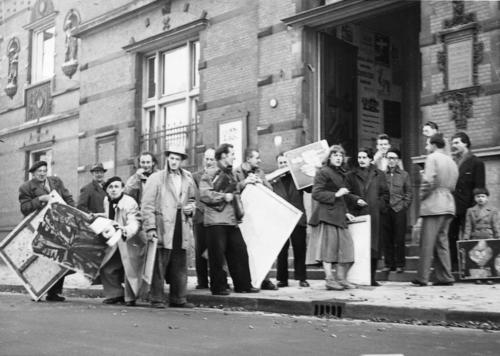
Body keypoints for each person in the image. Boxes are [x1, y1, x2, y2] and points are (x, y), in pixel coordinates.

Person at [199, 143, 258, 295]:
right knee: (217, 256)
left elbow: (234, 188)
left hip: (230, 220)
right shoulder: (210, 173)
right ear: (224, 156)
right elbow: (205, 194)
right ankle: (218, 287)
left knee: (239, 251)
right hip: (216, 220)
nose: (234, 157)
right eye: (232, 154)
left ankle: (243, 285)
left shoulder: (229, 173)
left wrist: (245, 182)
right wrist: (223, 196)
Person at [142, 146, 196, 308]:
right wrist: (150, 227)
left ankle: (179, 298)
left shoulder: (187, 177)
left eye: (177, 159)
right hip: (162, 224)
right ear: (167, 158)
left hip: (181, 223)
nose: (174, 162)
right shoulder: (156, 178)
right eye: (171, 158)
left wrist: (190, 208)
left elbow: (192, 199)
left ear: (181, 161)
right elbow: (147, 205)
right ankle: (157, 298)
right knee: (159, 262)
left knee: (179, 262)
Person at [18, 160, 75, 302]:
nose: (42, 173)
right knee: (42, 260)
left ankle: (54, 293)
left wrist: (73, 212)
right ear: (33, 173)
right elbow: (24, 208)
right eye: (39, 171)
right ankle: (37, 290)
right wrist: (40, 199)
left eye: (44, 170)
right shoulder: (26, 187)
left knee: (59, 257)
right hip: (41, 227)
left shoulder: (56, 181)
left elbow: (68, 198)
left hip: (60, 225)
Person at [307, 145, 358, 290]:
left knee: (346, 249)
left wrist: (346, 211)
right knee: (329, 250)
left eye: (341, 155)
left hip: (339, 215)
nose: (338, 158)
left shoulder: (342, 173)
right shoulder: (323, 172)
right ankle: (329, 279)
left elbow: (342, 196)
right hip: (327, 215)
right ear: (329, 157)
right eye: (335, 155)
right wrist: (335, 195)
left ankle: (341, 278)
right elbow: (316, 193)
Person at [411, 134, 458, 287]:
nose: (426, 147)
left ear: (433, 145)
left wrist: (422, 197)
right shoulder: (451, 161)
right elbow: (454, 185)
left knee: (427, 242)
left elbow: (428, 181)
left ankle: (422, 277)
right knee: (442, 243)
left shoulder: (432, 158)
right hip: (449, 204)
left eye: (427, 144)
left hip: (434, 204)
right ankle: (445, 276)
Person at [234, 147, 278, 291]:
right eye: (256, 158)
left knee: (261, 247)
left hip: (259, 216)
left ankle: (264, 278)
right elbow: (232, 190)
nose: (259, 160)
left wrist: (261, 182)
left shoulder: (260, 172)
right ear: (248, 159)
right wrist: (245, 182)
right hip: (243, 216)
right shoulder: (237, 172)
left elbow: (270, 190)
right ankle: (251, 279)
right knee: (247, 249)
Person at [346, 147, 389, 286]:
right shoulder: (351, 175)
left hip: (375, 215)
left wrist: (378, 206)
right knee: (359, 247)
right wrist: (355, 200)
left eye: (364, 157)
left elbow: (385, 194)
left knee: (374, 247)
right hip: (358, 214)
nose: (361, 160)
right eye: (359, 157)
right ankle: (358, 277)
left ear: (371, 159)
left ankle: (372, 278)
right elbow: (347, 192)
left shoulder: (379, 174)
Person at [100, 176, 145, 306]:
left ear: (122, 188)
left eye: (116, 187)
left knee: (130, 268)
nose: (114, 190)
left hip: (130, 240)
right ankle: (115, 294)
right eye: (111, 187)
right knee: (107, 266)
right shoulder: (106, 200)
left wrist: (125, 230)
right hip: (114, 240)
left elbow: (134, 221)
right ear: (107, 190)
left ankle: (130, 298)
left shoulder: (129, 202)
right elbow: (109, 216)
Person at [271, 153, 309, 288]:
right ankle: (282, 279)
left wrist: (308, 172)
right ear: (277, 165)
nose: (283, 165)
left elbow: (310, 189)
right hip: (281, 219)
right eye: (280, 163)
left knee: (300, 249)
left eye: (285, 163)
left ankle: (302, 278)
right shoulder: (273, 180)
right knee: (282, 251)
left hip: (298, 218)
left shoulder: (297, 177)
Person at [449, 132, 485, 270]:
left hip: (469, 207)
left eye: (457, 143)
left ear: (466, 143)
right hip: (452, 206)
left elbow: (479, 187)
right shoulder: (452, 162)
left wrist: (475, 208)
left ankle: (471, 267)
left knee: (469, 236)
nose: (454, 146)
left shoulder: (477, 162)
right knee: (451, 235)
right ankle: (454, 265)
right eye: (452, 143)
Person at [381, 148, 412, 273]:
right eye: (389, 158)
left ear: (398, 160)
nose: (391, 160)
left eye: (394, 158)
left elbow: (409, 193)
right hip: (386, 209)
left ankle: (400, 264)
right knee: (387, 238)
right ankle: (389, 264)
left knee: (399, 238)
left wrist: (404, 206)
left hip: (399, 209)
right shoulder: (382, 174)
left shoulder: (404, 175)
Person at [192, 147, 216, 289]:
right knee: (200, 250)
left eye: (211, 159)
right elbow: (195, 196)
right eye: (206, 159)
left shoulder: (219, 175)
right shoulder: (195, 176)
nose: (208, 161)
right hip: (200, 218)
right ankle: (202, 281)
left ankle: (217, 279)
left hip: (216, 218)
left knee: (215, 250)